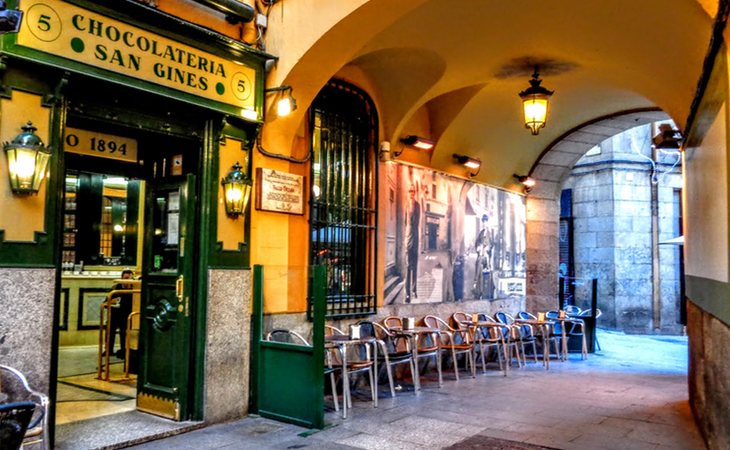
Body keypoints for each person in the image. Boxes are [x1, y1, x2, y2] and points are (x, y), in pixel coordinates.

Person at [109, 269, 134, 359]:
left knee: (124, 330)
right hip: (115, 313)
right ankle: (108, 349)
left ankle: (124, 349)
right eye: (125, 278)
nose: (127, 280)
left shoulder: (134, 289)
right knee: (110, 327)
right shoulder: (115, 288)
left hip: (127, 313)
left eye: (129, 278)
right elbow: (106, 302)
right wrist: (111, 302)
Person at [405, 184, 420, 302]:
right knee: (407, 267)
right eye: (410, 191)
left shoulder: (418, 205)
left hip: (415, 236)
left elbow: (418, 222)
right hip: (408, 236)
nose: (411, 193)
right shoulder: (406, 205)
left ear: (414, 193)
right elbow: (405, 222)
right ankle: (407, 293)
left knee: (415, 266)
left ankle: (414, 290)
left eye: (413, 191)